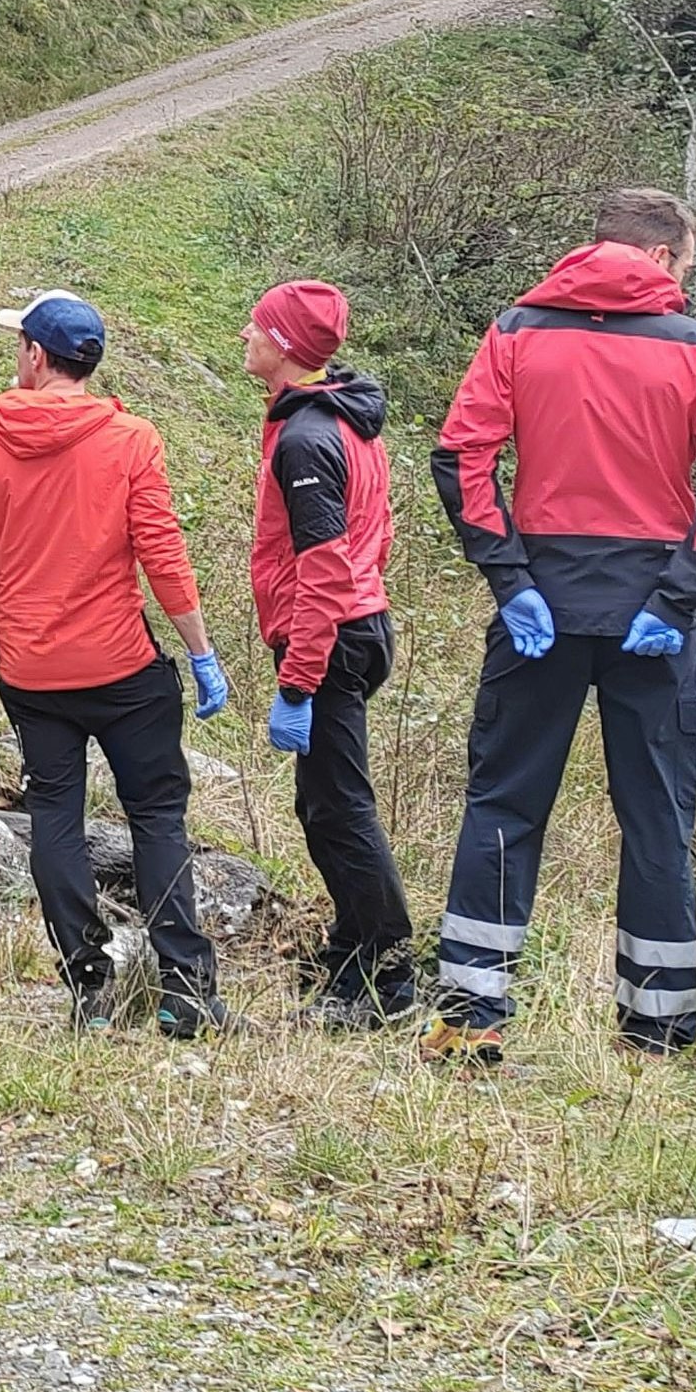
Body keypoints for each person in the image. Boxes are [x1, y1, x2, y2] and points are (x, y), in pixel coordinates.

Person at [427, 188, 696, 1063]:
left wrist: (509, 577)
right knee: (657, 816)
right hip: (651, 610)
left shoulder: (517, 331)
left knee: (504, 804)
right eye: (686, 266)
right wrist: (678, 597)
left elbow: (463, 456)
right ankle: (656, 1031)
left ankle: (471, 1017)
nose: (685, 282)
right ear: (661, 256)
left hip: (538, 603)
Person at [0, 290, 235, 1036]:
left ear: (37, 357)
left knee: (56, 820)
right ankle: (186, 992)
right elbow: (163, 555)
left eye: (20, 345)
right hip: (124, 668)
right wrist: (200, 651)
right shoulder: (131, 440)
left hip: (35, 674)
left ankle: (89, 986)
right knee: (157, 817)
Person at [241, 279, 414, 1028]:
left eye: (256, 325)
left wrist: (299, 678)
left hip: (334, 636)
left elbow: (325, 565)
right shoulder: (343, 417)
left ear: (283, 346)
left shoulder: (308, 437)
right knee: (321, 803)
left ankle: (384, 969)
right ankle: (351, 940)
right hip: (357, 625)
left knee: (339, 808)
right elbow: (379, 530)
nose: (244, 334)